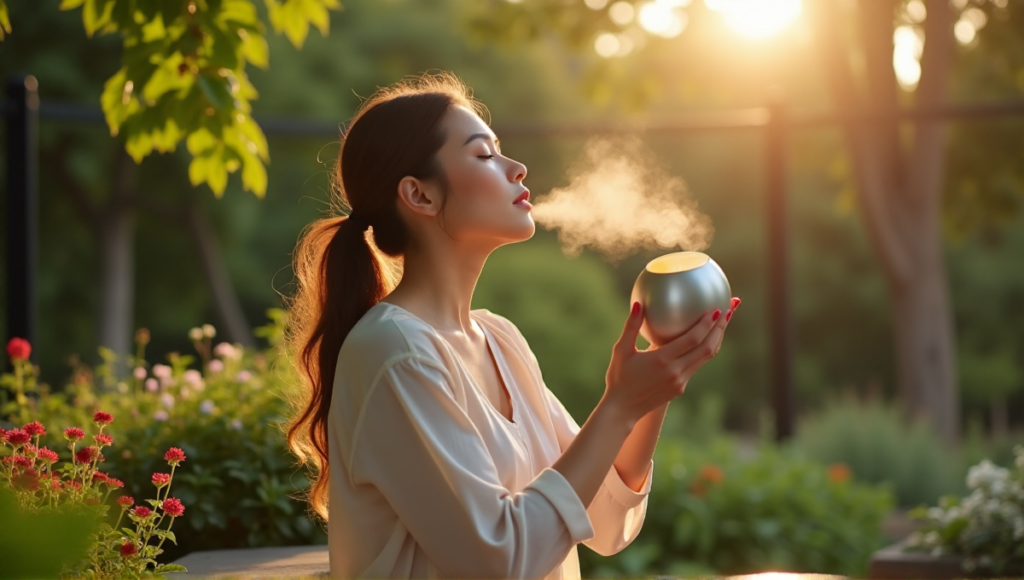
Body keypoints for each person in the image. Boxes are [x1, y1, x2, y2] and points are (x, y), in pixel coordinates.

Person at [284, 71, 740, 579]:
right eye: (484, 155)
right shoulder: (394, 353)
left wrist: (651, 387)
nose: (517, 168)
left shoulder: (500, 341)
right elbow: (499, 560)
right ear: (420, 195)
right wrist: (620, 404)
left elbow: (606, 518)